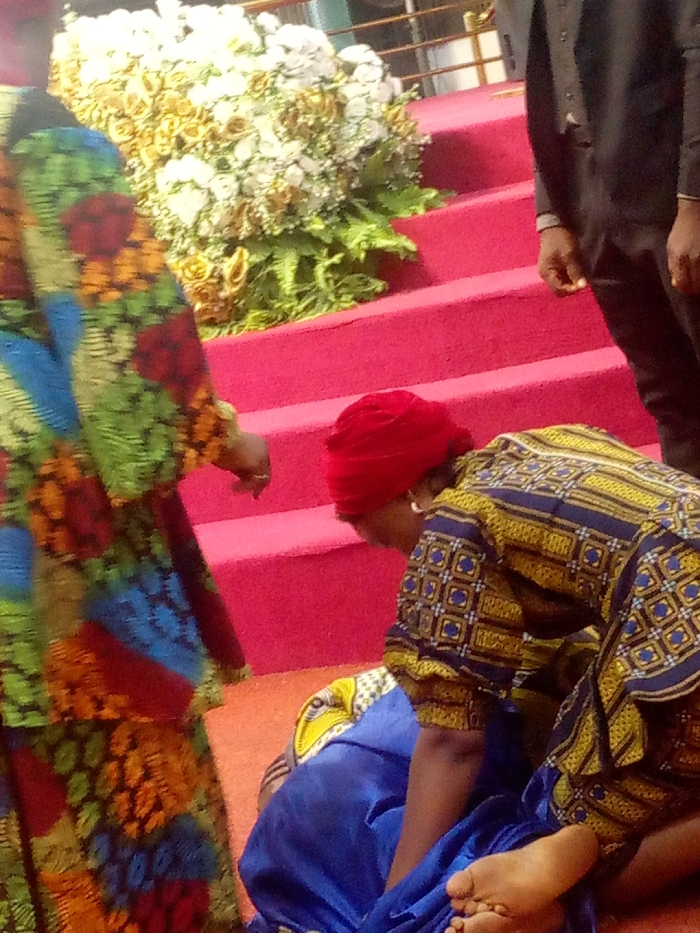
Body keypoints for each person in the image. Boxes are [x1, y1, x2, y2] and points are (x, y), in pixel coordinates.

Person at [0, 1, 271, 929]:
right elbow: (121, 332)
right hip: (40, 498)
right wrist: (226, 437)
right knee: (111, 755)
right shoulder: (31, 129)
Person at [323, 390, 700, 931]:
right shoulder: (546, 444)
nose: (406, 558)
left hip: (684, 632)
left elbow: (452, 742)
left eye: (387, 540)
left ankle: (568, 874)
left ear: (410, 495)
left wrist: (396, 905)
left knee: (580, 845)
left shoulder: (455, 526)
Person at [525, 0, 700, 479]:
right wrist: (551, 214)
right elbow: (546, 80)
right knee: (669, 398)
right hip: (588, 198)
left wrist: (694, 199)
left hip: (672, 188)